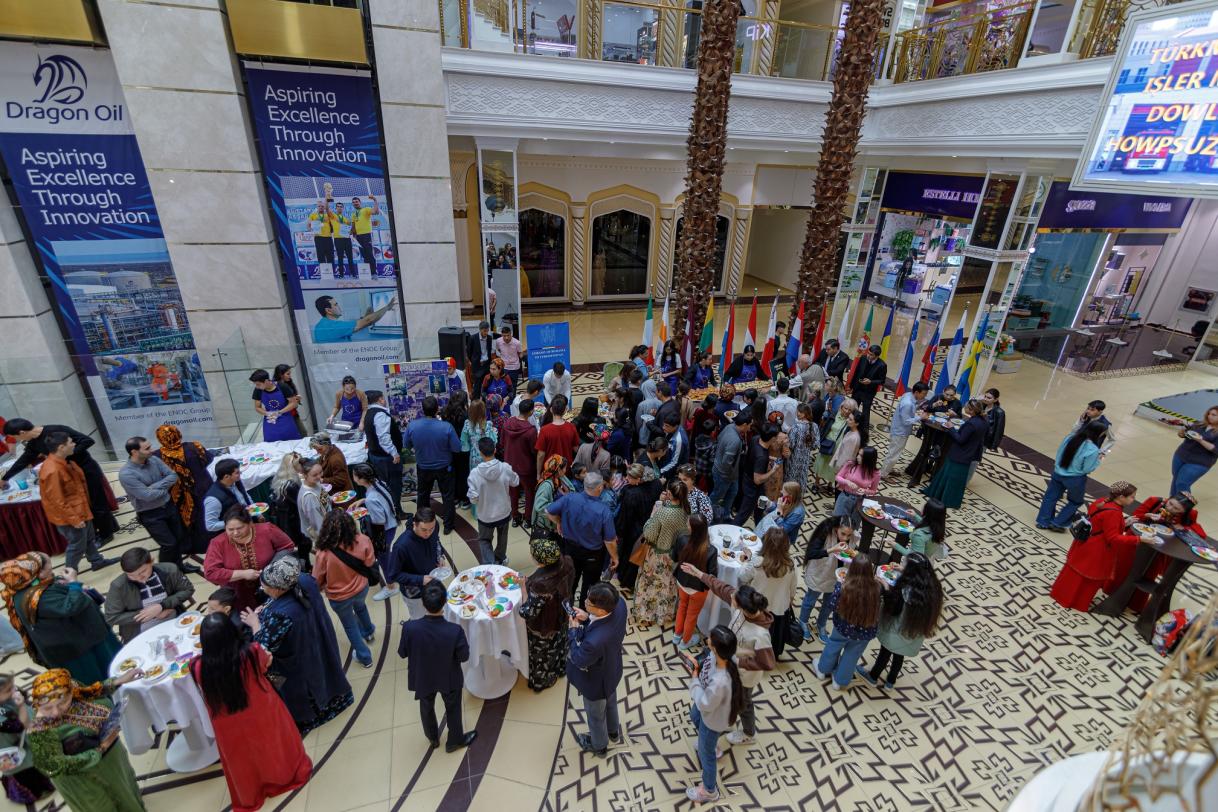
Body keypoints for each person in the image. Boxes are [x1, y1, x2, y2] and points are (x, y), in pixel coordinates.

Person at [193, 612, 311, 811]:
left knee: (241, 757)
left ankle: (253, 790)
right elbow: (266, 663)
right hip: (260, 708)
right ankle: (282, 777)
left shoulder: (197, 667)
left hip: (226, 720)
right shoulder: (251, 652)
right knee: (272, 743)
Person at [241, 556, 354, 734]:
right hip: (317, 638)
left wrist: (255, 622)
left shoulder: (282, 615)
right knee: (327, 671)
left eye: (265, 587)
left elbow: (263, 645)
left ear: (279, 588)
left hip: (297, 658)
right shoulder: (304, 581)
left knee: (307, 688)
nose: (262, 589)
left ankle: (314, 717)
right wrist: (268, 606)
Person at [27, 668, 144, 812]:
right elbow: (55, 766)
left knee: (125, 792)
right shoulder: (39, 730)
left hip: (111, 763)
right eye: (47, 708)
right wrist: (101, 748)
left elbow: (88, 691)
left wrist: (118, 681)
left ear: (70, 692)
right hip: (81, 780)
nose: (56, 712)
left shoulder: (73, 687)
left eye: (62, 703)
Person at [0, 553, 120, 683]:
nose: (53, 571)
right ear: (38, 573)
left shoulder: (27, 585)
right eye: (49, 569)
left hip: (81, 641)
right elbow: (72, 606)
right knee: (100, 679)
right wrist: (74, 583)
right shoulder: (37, 597)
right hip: (76, 651)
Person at [1, 419, 120, 542]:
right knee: (89, 502)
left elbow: (87, 440)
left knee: (96, 502)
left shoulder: (56, 430)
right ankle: (112, 526)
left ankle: (106, 535)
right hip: (70, 473)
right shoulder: (33, 443)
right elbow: (23, 460)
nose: (16, 440)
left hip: (86, 469)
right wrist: (5, 478)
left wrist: (65, 455)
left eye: (14, 437)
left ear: (21, 432)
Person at [398, 581, 475, 752]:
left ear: (423, 603)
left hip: (423, 677)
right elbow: (464, 657)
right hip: (449, 677)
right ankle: (455, 740)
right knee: (453, 708)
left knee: (426, 707)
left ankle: (432, 738)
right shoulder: (454, 630)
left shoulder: (409, 628)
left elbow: (402, 653)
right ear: (445, 602)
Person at [1049, 481, 1142, 612]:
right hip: (1097, 550)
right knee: (1086, 579)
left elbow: (1101, 523)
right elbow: (1113, 537)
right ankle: (1076, 602)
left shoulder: (1102, 501)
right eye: (1132, 496)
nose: (1133, 499)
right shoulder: (1114, 513)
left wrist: (1124, 522)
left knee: (1073, 574)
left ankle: (1061, 595)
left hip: (1085, 543)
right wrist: (1139, 539)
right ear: (1121, 497)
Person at [858, 552, 944, 688]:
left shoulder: (905, 590)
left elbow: (893, 609)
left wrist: (886, 587)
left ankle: (873, 676)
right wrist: (903, 570)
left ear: (911, 570)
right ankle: (890, 682)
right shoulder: (932, 586)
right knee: (899, 654)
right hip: (912, 632)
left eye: (905, 563)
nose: (901, 563)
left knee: (885, 652)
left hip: (896, 629)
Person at [37, 432, 116, 573]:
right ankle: (69, 573)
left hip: (81, 509)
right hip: (71, 516)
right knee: (77, 545)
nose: (74, 444)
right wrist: (73, 519)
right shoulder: (52, 470)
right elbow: (57, 500)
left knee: (89, 538)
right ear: (61, 447)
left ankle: (97, 561)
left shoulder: (66, 461)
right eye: (71, 442)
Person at [685, 625, 745, 804]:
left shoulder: (720, 681)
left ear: (716, 648)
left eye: (710, 638)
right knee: (694, 716)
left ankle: (709, 790)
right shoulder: (724, 656)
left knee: (706, 755)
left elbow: (705, 704)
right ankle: (712, 746)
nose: (707, 639)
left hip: (713, 718)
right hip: (708, 711)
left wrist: (694, 678)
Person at [567, 581, 628, 757]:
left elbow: (578, 659)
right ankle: (613, 732)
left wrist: (573, 630)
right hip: (612, 669)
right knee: (610, 701)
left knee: (595, 715)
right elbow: (603, 625)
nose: (585, 602)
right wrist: (587, 616)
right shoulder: (620, 604)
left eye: (589, 603)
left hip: (595, 682)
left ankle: (599, 745)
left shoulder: (594, 642)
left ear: (601, 610)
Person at [118, 436, 196, 572]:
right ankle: (164, 573)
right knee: (168, 544)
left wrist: (154, 487)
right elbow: (146, 496)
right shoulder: (126, 474)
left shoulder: (153, 460)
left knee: (177, 539)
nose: (151, 450)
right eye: (147, 448)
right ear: (134, 452)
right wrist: (163, 488)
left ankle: (179, 567)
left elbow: (173, 476)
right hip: (150, 514)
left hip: (169, 506)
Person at [312, 511, 378, 669]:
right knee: (361, 607)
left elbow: (317, 578)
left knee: (350, 626)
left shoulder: (323, 553)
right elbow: (370, 563)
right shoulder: (363, 540)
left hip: (339, 596)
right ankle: (368, 631)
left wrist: (321, 588)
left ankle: (365, 656)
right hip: (361, 587)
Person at [204, 506, 295, 614]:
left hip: (273, 590)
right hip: (239, 596)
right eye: (230, 529)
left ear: (250, 523)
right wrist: (242, 574)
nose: (235, 533)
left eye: (240, 528)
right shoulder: (218, 543)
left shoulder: (267, 530)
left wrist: (271, 569)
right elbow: (210, 572)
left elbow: (287, 546)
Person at [548, 472, 619, 605]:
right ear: (599, 488)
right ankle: (583, 611)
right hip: (592, 555)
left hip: (570, 548)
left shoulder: (569, 498)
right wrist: (614, 557)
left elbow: (549, 511)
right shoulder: (604, 511)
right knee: (590, 585)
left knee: (570, 580)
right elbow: (609, 541)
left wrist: (559, 522)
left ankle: (566, 609)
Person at [517, 536, 575, 692]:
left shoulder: (540, 584)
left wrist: (523, 587)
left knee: (543, 654)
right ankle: (560, 668)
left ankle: (543, 680)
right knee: (560, 643)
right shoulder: (567, 562)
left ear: (541, 562)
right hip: (563, 614)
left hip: (546, 624)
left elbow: (527, 612)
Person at [815, 554, 880, 690]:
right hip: (865, 630)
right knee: (852, 655)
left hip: (842, 627)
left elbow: (832, 605)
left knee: (833, 646)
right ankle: (840, 681)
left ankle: (822, 670)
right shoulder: (876, 588)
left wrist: (839, 584)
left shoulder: (844, 587)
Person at [103, 547, 194, 643]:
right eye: (131, 575)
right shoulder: (118, 586)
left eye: (143, 572)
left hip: (174, 621)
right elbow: (111, 617)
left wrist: (162, 606)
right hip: (139, 632)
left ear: (151, 561)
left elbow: (187, 589)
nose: (139, 578)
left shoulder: (169, 570)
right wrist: (151, 614)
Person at [632, 480, 691, 629]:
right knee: (667, 584)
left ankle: (647, 615)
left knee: (650, 584)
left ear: (670, 494)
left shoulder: (663, 512)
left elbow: (649, 534)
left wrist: (652, 516)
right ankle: (664, 614)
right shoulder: (686, 510)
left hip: (657, 555)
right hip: (674, 554)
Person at [403, 396, 463, 535]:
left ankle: (421, 523)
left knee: (423, 496)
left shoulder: (412, 426)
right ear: (437, 409)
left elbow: (406, 445)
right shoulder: (446, 427)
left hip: (423, 467)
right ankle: (448, 526)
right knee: (447, 497)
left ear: (422, 410)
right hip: (445, 468)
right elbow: (457, 448)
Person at [1035, 420, 1107, 531]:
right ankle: (1058, 523)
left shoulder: (1070, 438)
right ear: (1097, 433)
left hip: (1058, 472)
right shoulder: (1093, 449)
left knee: (1050, 497)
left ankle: (1043, 522)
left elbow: (1059, 453)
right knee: (1075, 501)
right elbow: (1087, 469)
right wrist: (1098, 460)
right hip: (1075, 478)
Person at [153, 423, 214, 553]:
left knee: (184, 518)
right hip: (202, 488)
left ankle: (190, 546)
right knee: (206, 515)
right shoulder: (195, 447)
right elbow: (208, 460)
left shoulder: (156, 456)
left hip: (177, 494)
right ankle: (212, 543)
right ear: (178, 434)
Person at [924, 399, 990, 511]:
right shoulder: (983, 421)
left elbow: (960, 439)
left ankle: (941, 497)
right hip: (969, 454)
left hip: (959, 453)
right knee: (957, 480)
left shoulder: (971, 423)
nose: (964, 408)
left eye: (967, 407)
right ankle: (952, 500)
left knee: (948, 475)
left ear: (972, 410)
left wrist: (951, 428)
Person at [800, 516, 858, 641]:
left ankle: (821, 625)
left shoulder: (853, 536)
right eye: (842, 534)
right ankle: (803, 621)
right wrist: (832, 549)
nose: (845, 538)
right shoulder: (825, 532)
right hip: (820, 572)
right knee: (810, 599)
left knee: (829, 604)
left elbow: (852, 553)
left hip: (838, 575)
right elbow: (811, 553)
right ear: (837, 528)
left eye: (849, 535)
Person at [745, 526, 799, 658]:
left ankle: (752, 654)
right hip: (779, 608)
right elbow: (793, 589)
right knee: (774, 636)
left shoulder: (758, 562)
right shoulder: (791, 565)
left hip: (757, 606)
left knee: (753, 633)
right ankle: (770, 655)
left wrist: (748, 560)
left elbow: (742, 576)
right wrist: (789, 601)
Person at [0, 674, 54, 803]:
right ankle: (36, 792)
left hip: (21, 743)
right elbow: (20, 726)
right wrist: (22, 706)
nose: (14, 690)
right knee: (27, 772)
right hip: (13, 752)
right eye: (8, 690)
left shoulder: (7, 701)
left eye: (12, 686)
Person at [384, 508, 446, 620]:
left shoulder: (433, 527)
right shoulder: (401, 546)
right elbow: (393, 574)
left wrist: (440, 555)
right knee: (419, 619)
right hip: (415, 593)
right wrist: (420, 579)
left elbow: (437, 542)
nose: (428, 533)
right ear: (414, 524)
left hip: (432, 584)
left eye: (431, 529)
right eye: (424, 530)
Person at [350, 464, 400, 601]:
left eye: (354, 475)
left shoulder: (372, 498)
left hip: (384, 530)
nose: (353, 477)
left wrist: (364, 516)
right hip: (392, 523)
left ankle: (391, 587)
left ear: (360, 479)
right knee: (386, 554)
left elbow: (379, 520)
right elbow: (380, 499)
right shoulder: (379, 483)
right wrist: (364, 500)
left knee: (383, 558)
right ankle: (394, 576)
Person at [468, 437, 519, 565]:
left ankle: (489, 565)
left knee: (485, 540)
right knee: (503, 538)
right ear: (495, 450)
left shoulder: (474, 474)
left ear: (480, 452)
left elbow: (473, 500)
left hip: (485, 515)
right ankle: (500, 558)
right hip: (503, 512)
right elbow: (516, 481)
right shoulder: (505, 467)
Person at [671, 515, 718, 649]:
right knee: (691, 615)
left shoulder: (681, 539)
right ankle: (685, 641)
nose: (686, 525)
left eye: (688, 524)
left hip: (681, 581)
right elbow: (713, 575)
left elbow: (674, 557)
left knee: (682, 606)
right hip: (698, 589)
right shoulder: (711, 550)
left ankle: (677, 635)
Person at [363, 389, 405, 520]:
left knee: (383, 484)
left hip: (376, 455)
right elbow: (384, 438)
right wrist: (394, 453)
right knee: (394, 485)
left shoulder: (369, 413)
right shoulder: (380, 415)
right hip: (386, 458)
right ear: (380, 399)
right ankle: (396, 511)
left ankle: (390, 509)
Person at [735, 423, 784, 527]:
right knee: (743, 514)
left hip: (748, 478)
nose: (777, 438)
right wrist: (773, 470)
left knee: (760, 506)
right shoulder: (761, 457)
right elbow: (757, 479)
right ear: (771, 438)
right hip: (752, 487)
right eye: (776, 436)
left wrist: (770, 458)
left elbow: (754, 456)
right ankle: (733, 530)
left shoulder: (756, 439)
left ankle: (759, 525)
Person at [503, 399, 540, 528]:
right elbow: (534, 451)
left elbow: (502, 442)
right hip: (526, 466)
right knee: (529, 492)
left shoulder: (508, 423)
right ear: (531, 412)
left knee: (513, 492)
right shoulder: (531, 431)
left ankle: (515, 516)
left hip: (509, 464)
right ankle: (528, 519)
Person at [812, 397, 859, 494]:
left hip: (839, 447)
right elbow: (825, 427)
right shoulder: (834, 414)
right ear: (841, 407)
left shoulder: (851, 421)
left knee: (834, 466)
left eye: (850, 410)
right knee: (822, 463)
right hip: (828, 443)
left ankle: (830, 485)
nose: (846, 411)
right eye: (845, 408)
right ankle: (816, 484)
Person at [881, 382, 928, 478]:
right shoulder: (908, 404)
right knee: (894, 454)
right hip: (900, 432)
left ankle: (888, 469)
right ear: (916, 392)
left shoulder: (908, 395)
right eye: (923, 394)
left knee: (894, 452)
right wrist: (920, 417)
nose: (925, 396)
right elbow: (906, 421)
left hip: (899, 429)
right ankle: (883, 474)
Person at [269, 453, 309, 566]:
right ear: (294, 466)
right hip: (293, 524)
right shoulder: (291, 485)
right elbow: (301, 505)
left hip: (284, 521)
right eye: (300, 463)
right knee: (303, 548)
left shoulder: (280, 479)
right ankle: (305, 568)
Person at [311, 293, 397, 345]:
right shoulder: (332, 327)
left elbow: (361, 324)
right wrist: (387, 307)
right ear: (328, 310)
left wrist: (366, 318)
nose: (339, 307)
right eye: (336, 305)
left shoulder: (321, 325)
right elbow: (368, 321)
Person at [1171, 404, 1218, 495]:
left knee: (1182, 483)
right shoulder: (1199, 424)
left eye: (1214, 415)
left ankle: (1184, 506)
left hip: (1199, 462)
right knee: (1176, 479)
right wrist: (1182, 432)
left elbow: (1216, 450)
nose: (1209, 416)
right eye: (1209, 413)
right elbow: (1186, 436)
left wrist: (1200, 440)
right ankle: (1171, 503)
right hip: (1181, 455)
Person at [461, 401, 499, 507]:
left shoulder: (467, 424)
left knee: (475, 484)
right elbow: (494, 442)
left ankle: (476, 510)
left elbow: (464, 444)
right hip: (488, 458)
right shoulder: (488, 424)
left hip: (473, 459)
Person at [711, 413, 748, 520]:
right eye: (750, 425)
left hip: (729, 473)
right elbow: (726, 463)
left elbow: (718, 438)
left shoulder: (729, 427)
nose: (750, 428)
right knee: (716, 495)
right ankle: (704, 514)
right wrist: (729, 476)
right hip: (725, 474)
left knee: (732, 492)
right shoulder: (735, 440)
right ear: (745, 424)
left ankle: (726, 514)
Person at [249, 369, 302, 442]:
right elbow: (257, 407)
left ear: (266, 381)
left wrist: (279, 412)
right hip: (270, 420)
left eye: (258, 384)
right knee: (271, 444)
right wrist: (268, 413)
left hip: (286, 418)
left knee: (291, 442)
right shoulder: (258, 390)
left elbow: (293, 403)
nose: (257, 387)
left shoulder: (282, 386)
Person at [203, 458, 253, 534]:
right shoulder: (213, 499)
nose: (240, 473)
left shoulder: (235, 482)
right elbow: (210, 525)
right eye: (237, 473)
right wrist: (238, 522)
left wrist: (257, 514)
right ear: (226, 477)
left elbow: (246, 497)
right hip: (234, 534)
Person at [834, 446, 881, 525]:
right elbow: (837, 477)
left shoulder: (875, 473)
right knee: (837, 523)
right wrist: (847, 482)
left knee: (853, 526)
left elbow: (873, 491)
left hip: (860, 502)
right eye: (858, 454)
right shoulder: (851, 464)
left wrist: (864, 491)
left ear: (868, 459)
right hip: (844, 497)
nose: (858, 457)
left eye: (861, 456)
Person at [295, 457, 331, 561]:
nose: (319, 477)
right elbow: (319, 526)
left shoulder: (315, 483)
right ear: (305, 475)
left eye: (320, 472)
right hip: (323, 537)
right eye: (315, 475)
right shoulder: (309, 498)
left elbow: (324, 500)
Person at [891, 497, 947, 562]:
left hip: (916, 565)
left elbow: (916, 557)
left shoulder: (919, 535)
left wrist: (896, 545)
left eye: (925, 505)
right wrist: (916, 516)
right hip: (929, 559)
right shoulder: (939, 527)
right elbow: (928, 524)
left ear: (927, 512)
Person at [532, 455, 574, 539]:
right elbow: (539, 506)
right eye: (565, 468)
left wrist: (562, 476)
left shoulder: (555, 479)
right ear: (558, 469)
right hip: (544, 525)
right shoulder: (546, 485)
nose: (566, 470)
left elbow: (572, 491)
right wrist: (556, 508)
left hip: (551, 522)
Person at [442, 392, 471, 510]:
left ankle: (455, 498)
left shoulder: (445, 413)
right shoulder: (466, 415)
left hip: (449, 449)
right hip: (464, 449)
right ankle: (464, 499)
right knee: (464, 473)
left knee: (452, 473)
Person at [536, 395, 580, 469]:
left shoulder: (544, 430)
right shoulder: (571, 427)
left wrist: (538, 474)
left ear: (551, 410)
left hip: (550, 467)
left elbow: (540, 454)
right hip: (566, 466)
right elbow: (576, 449)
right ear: (565, 410)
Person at [849, 345, 887, 431]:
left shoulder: (882, 365)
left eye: (871, 355)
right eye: (868, 353)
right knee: (853, 407)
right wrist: (851, 386)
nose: (868, 356)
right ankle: (849, 424)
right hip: (858, 388)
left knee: (865, 411)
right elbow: (856, 372)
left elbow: (882, 380)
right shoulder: (863, 358)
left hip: (868, 392)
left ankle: (864, 430)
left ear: (877, 356)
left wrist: (871, 382)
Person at [785, 402, 818, 490]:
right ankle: (798, 498)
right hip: (805, 458)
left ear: (805, 414)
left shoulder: (796, 427)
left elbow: (791, 445)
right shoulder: (814, 426)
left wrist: (788, 434)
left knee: (791, 479)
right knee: (801, 479)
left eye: (800, 412)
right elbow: (815, 445)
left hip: (794, 458)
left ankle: (789, 499)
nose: (798, 413)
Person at [273, 364, 308, 437]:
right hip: (285, 415)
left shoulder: (287, 383)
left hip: (292, 413)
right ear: (280, 374)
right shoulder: (278, 386)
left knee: (302, 433)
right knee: (301, 433)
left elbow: (292, 401)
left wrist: (296, 398)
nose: (290, 376)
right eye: (288, 374)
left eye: (290, 374)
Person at [466, 321, 494, 399]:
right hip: (478, 365)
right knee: (477, 387)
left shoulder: (489, 338)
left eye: (487, 330)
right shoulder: (472, 338)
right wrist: (472, 361)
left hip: (487, 365)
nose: (486, 332)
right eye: (484, 331)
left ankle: (486, 402)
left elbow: (488, 350)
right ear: (480, 330)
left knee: (487, 385)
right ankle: (476, 403)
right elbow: (469, 351)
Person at [495, 325, 524, 390]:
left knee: (513, 387)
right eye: (504, 336)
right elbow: (498, 349)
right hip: (503, 367)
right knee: (503, 386)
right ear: (502, 335)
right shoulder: (498, 341)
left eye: (508, 335)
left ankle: (512, 399)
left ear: (511, 334)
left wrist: (522, 357)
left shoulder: (517, 343)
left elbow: (520, 353)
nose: (506, 338)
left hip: (514, 367)